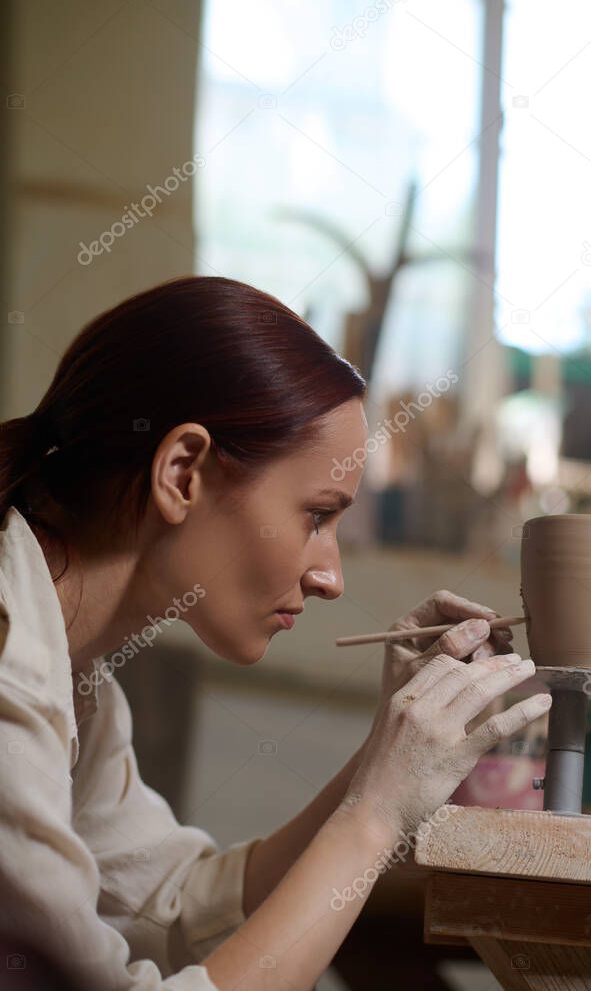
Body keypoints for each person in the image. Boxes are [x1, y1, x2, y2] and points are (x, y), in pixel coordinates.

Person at [0, 275, 551, 991]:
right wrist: (376, 820)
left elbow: (170, 908)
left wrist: (382, 763)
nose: (330, 577)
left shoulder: (76, 677)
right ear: (182, 471)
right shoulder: (13, 677)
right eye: (316, 516)